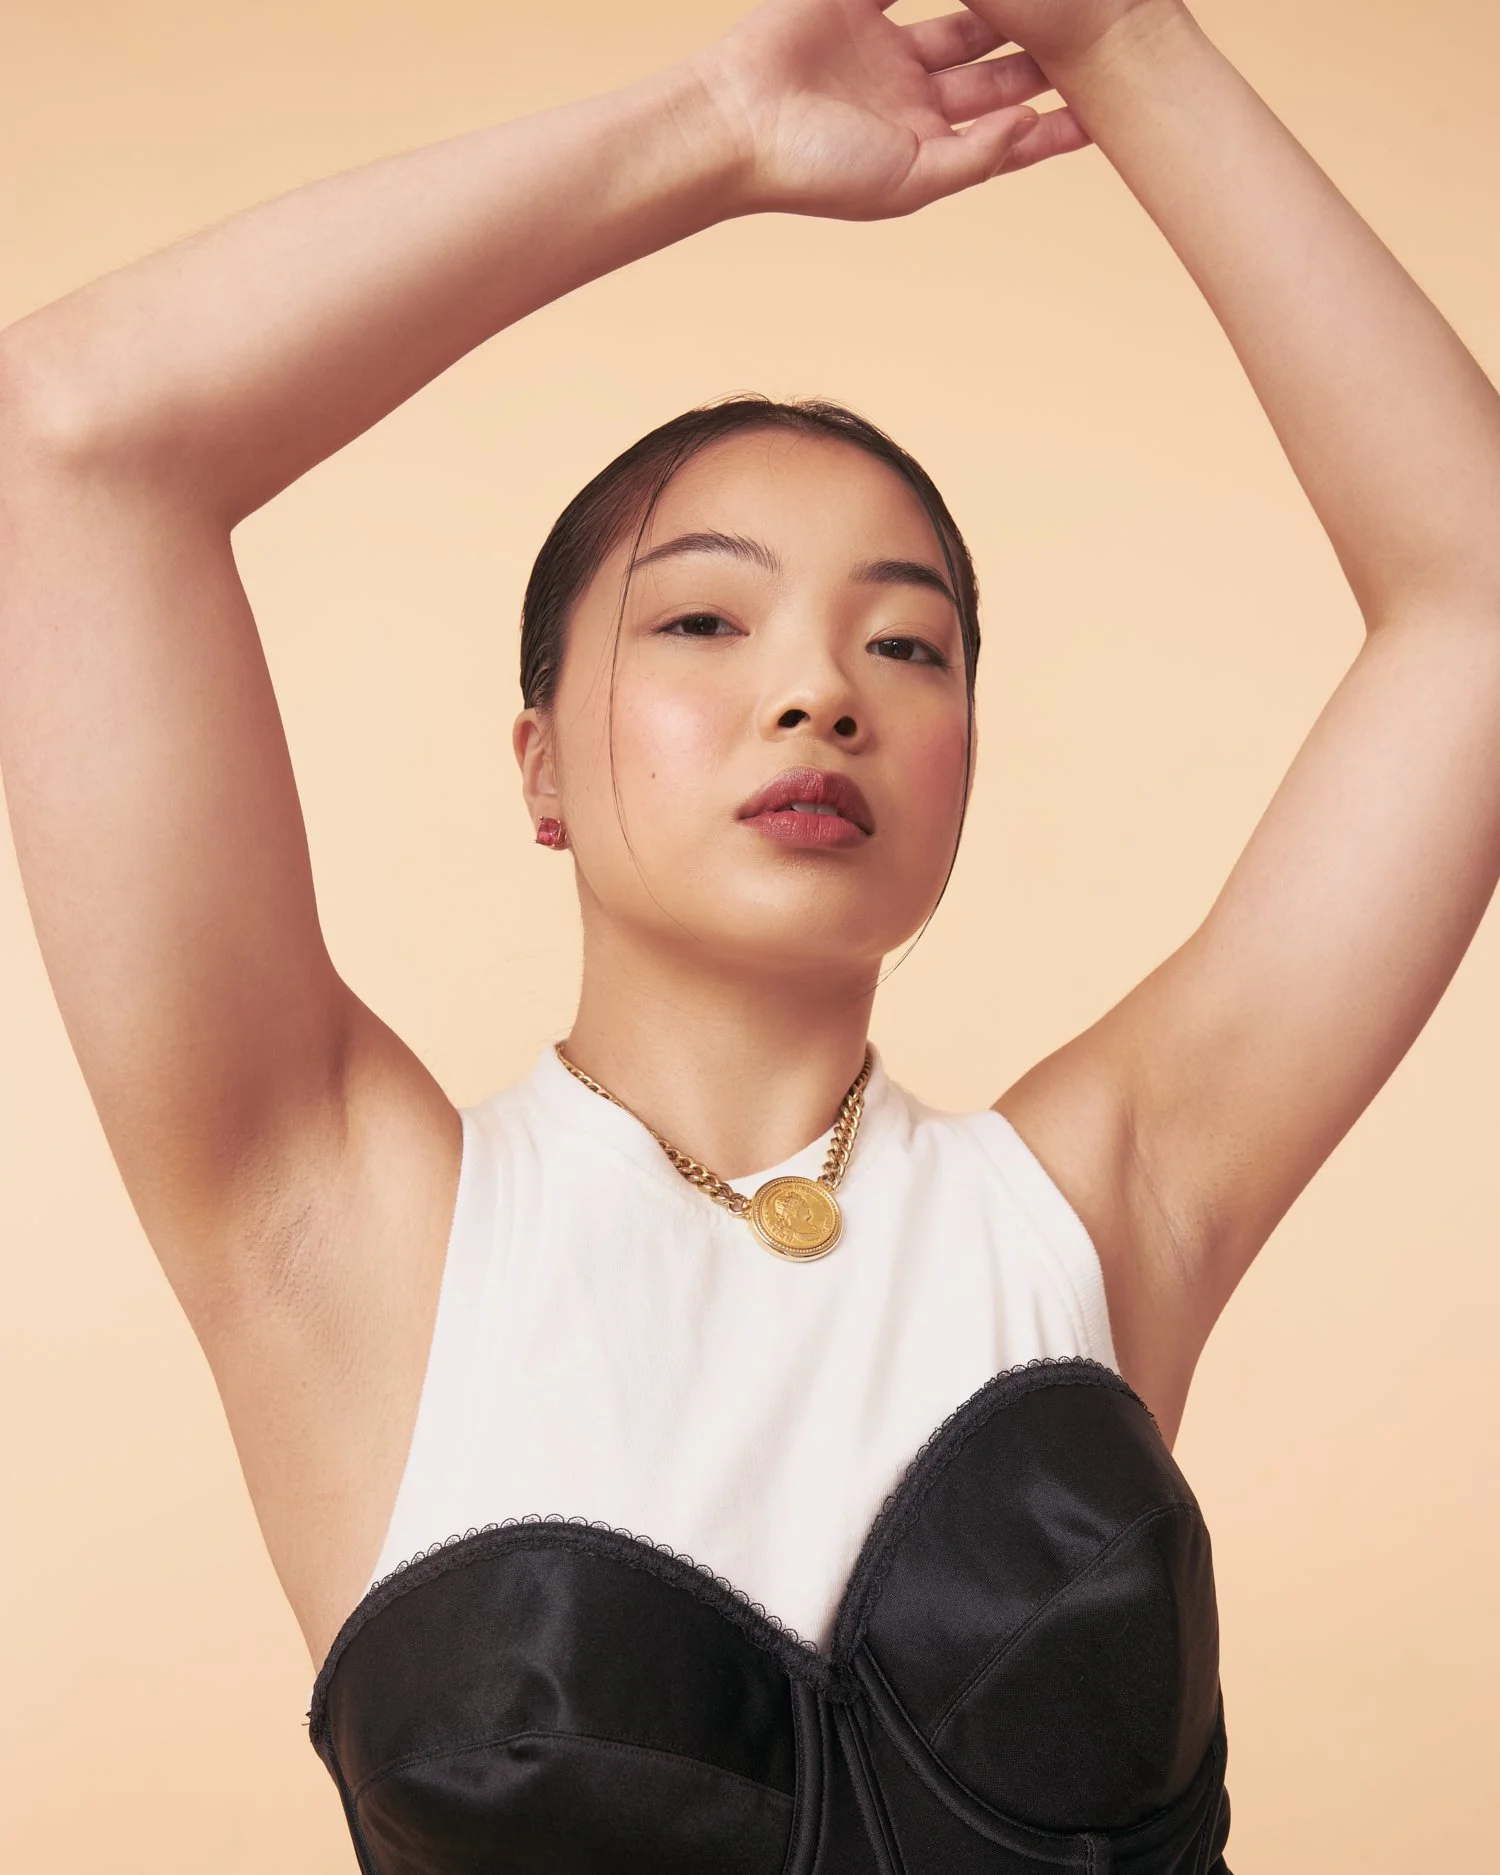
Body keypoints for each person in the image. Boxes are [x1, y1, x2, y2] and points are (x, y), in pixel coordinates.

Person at [2, 0, 1498, 1866]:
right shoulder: (339, 1227)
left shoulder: (1109, 1203)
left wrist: (1118, 39)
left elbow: (1479, 600)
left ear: (965, 761)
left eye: (907, 643)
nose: (820, 692)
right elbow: (67, 442)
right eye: (705, 623)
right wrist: (710, 132)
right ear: (539, 760)